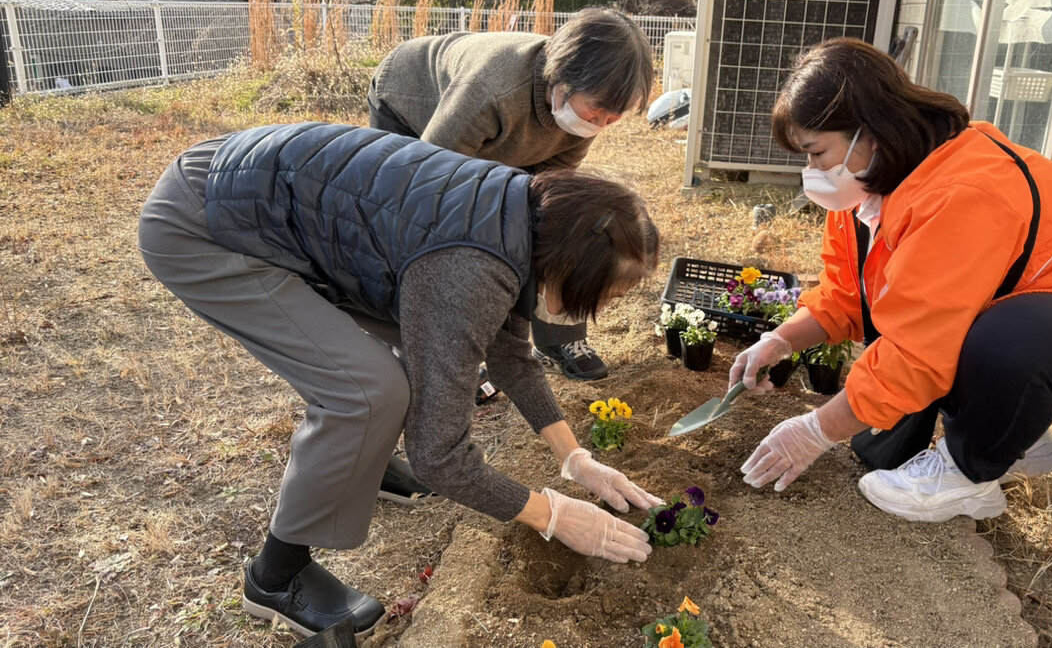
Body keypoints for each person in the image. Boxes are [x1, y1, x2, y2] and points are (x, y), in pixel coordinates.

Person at [138, 122, 663, 638]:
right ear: (573, 267)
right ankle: (276, 577)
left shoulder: (521, 215)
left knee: (405, 368)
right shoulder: (469, 270)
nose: (605, 306)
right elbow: (441, 459)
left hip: (253, 189)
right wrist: (555, 516)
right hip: (206, 226)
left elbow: (509, 353)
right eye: (606, 295)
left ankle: (365, 463)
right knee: (368, 391)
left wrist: (576, 459)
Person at [729, 38, 1052, 523]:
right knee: (973, 327)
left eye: (816, 152)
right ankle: (1015, 437)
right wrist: (781, 340)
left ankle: (966, 477)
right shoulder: (867, 191)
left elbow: (918, 348)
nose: (812, 171)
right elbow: (849, 296)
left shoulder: (963, 190)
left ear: (869, 132)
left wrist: (816, 431)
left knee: (1002, 334)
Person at [367, 7, 655, 383]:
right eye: (596, 111)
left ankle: (557, 338)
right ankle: (423, 352)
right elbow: (428, 184)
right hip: (413, 112)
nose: (598, 124)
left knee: (554, 227)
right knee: (427, 236)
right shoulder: (491, 89)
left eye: (611, 118)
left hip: (496, 139)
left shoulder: (581, 110)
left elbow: (550, 205)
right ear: (563, 80)